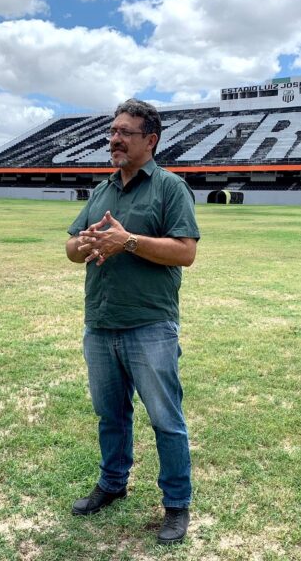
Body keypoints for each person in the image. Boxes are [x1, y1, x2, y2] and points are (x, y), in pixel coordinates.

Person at [65, 98, 200, 545]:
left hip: (150, 326)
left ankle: (176, 505)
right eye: (113, 131)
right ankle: (112, 484)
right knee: (110, 415)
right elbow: (70, 248)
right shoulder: (102, 191)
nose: (115, 139)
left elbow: (186, 252)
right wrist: (85, 244)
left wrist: (129, 241)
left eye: (125, 132)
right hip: (101, 323)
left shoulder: (169, 188)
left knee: (166, 419)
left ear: (151, 140)